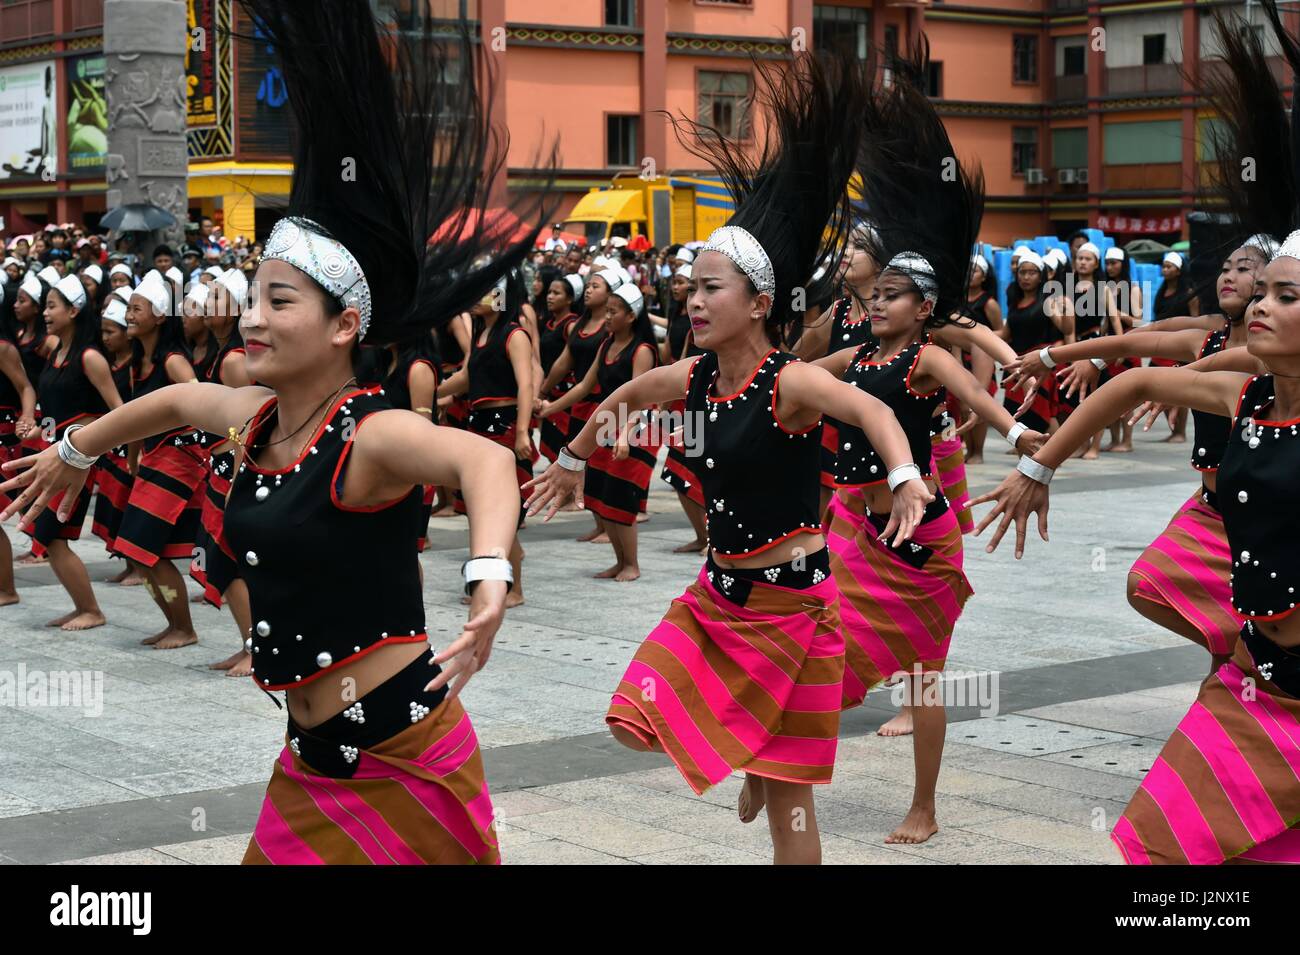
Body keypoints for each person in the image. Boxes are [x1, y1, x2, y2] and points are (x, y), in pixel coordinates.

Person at [4, 0, 552, 866]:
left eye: (278, 302)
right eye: (252, 297)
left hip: (403, 752)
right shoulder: (254, 417)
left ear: (343, 326)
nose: (249, 318)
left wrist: (487, 583)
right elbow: (174, 408)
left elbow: (483, 460)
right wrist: (75, 451)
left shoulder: (369, 434)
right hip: (311, 761)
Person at [528, 48, 930, 865]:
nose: (695, 300)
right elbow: (625, 399)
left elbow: (870, 410)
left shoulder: (790, 383)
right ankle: (748, 738)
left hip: (795, 610)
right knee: (634, 718)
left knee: (790, 807)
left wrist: (905, 472)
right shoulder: (698, 374)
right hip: (716, 600)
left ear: (759, 302)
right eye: (690, 288)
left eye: (712, 288)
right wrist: (572, 456)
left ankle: (762, 755)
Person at [973, 1, 1300, 865]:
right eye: (1254, 285)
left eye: (1283, 293)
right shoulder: (1245, 386)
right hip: (1263, 683)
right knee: (1162, 860)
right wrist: (1039, 462)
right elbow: (1137, 368)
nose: (1257, 298)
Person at [540, 283, 657, 580]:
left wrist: (625, 434)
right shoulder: (606, 345)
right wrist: (551, 407)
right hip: (609, 427)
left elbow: (639, 397)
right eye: (606, 311)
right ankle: (620, 562)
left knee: (620, 497)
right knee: (603, 496)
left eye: (613, 312)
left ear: (631, 317)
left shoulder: (642, 350)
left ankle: (632, 564)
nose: (606, 317)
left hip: (636, 430)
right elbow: (583, 386)